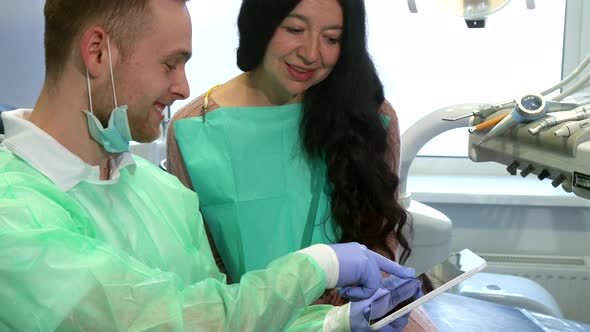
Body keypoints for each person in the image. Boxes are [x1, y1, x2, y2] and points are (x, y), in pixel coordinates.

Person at [0, 0, 424, 331]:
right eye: (170, 63)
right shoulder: (12, 217)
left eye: (332, 37)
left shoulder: (160, 193)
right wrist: (319, 265)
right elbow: (171, 323)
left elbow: (229, 316)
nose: (184, 86)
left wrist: (337, 323)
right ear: (97, 53)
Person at [167, 0, 436, 330]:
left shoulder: (370, 118)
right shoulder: (196, 128)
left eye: (332, 38)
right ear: (262, 24)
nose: (311, 54)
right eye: (295, 30)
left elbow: (381, 233)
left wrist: (370, 302)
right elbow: (205, 266)